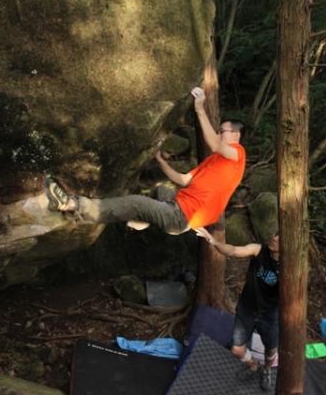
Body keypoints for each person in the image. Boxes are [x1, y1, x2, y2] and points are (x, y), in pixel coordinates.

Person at [44, 87, 245, 235]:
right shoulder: (214, 161)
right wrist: (160, 161)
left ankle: (71, 205)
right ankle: (139, 222)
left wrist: (199, 109)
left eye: (223, 131)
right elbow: (183, 180)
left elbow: (214, 144)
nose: (219, 134)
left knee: (136, 203)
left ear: (236, 135)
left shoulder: (238, 154)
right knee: (160, 190)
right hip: (177, 203)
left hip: (180, 217)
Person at [195, 226, 279, 392]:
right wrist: (214, 242)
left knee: (271, 349)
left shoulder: (289, 267)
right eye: (276, 234)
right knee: (236, 349)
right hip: (247, 309)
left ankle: (267, 369)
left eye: (279, 239)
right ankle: (253, 365)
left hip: (269, 314)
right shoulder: (258, 250)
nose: (274, 238)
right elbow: (233, 250)